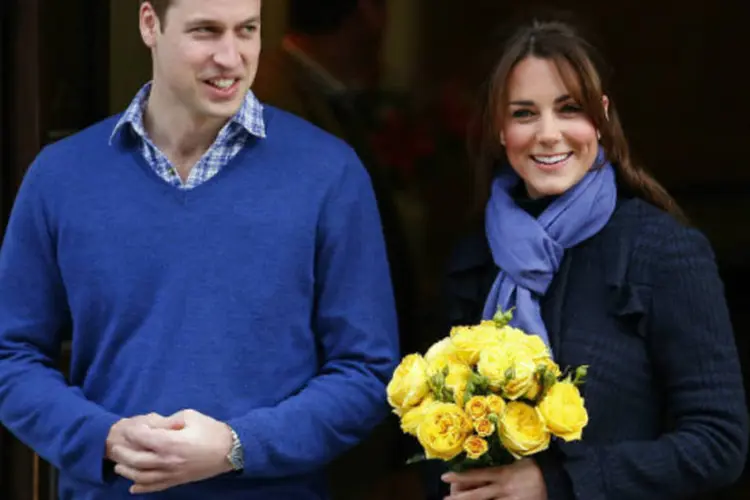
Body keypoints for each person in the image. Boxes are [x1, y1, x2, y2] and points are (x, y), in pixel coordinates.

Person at [0, 0, 399, 499]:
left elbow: (367, 372)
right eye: (206, 32)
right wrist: (101, 438)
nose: (231, 57)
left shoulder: (329, 173)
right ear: (150, 24)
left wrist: (238, 446)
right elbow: (10, 356)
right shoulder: (60, 176)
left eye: (246, 30)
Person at [426, 18, 749, 500]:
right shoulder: (476, 254)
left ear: (600, 115)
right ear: (500, 128)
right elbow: (433, 432)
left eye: (569, 109)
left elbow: (719, 444)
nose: (549, 133)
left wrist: (555, 484)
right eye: (524, 113)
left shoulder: (662, 250)